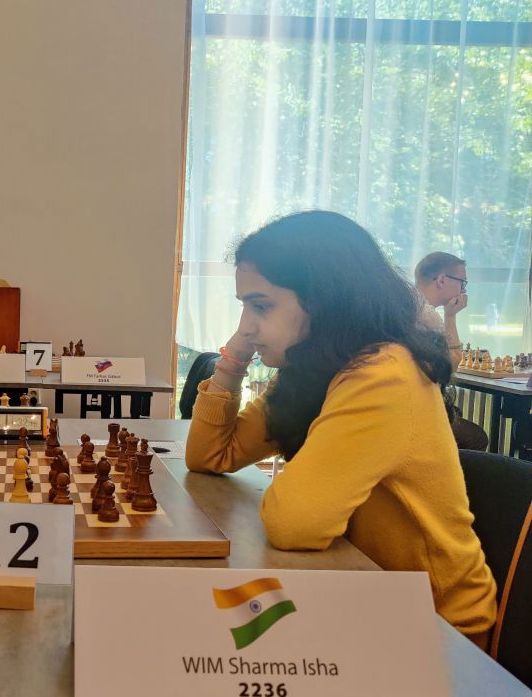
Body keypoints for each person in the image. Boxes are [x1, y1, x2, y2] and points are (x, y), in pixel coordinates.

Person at [185, 211, 497, 647]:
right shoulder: (315, 367)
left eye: (260, 306)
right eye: (244, 306)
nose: (246, 326)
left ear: (323, 299)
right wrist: (233, 360)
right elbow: (209, 456)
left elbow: (294, 523)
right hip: (363, 594)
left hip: (438, 627)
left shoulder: (383, 373)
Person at [414, 251, 488, 451]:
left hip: (406, 402)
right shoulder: (426, 315)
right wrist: (451, 316)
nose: (463, 290)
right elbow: (451, 365)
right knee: (476, 438)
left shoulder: (406, 304)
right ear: (441, 280)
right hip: (417, 411)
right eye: (462, 282)